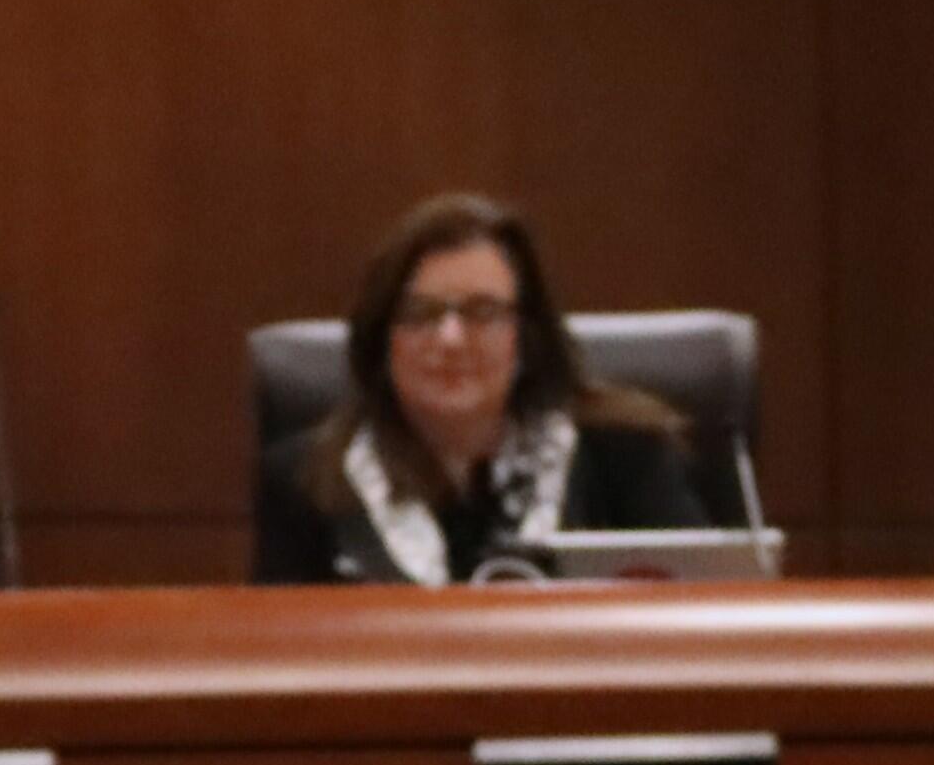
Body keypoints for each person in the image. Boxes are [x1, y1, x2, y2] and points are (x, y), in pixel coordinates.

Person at [253, 192, 709, 584]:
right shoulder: (305, 482)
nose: (450, 339)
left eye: (482, 312)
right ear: (381, 338)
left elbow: (706, 625)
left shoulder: (628, 455)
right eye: (420, 313)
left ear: (525, 335)